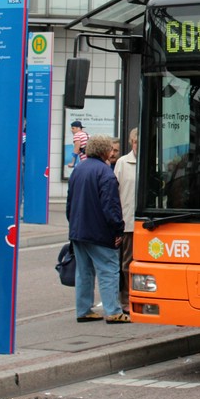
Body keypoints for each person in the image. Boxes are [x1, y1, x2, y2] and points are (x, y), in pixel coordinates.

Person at [66, 134, 130, 324]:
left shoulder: (78, 170)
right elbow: (111, 207)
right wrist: (118, 230)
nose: (112, 152)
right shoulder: (105, 173)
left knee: (84, 272)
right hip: (99, 232)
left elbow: (70, 204)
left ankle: (83, 310)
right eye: (111, 149)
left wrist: (73, 226)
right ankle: (113, 311)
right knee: (109, 270)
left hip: (78, 230)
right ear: (105, 151)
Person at [114, 128, 137, 314]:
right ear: (131, 142)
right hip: (128, 221)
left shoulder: (152, 160)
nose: (137, 145)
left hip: (147, 222)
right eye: (135, 141)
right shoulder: (122, 163)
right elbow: (115, 193)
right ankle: (127, 298)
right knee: (127, 262)